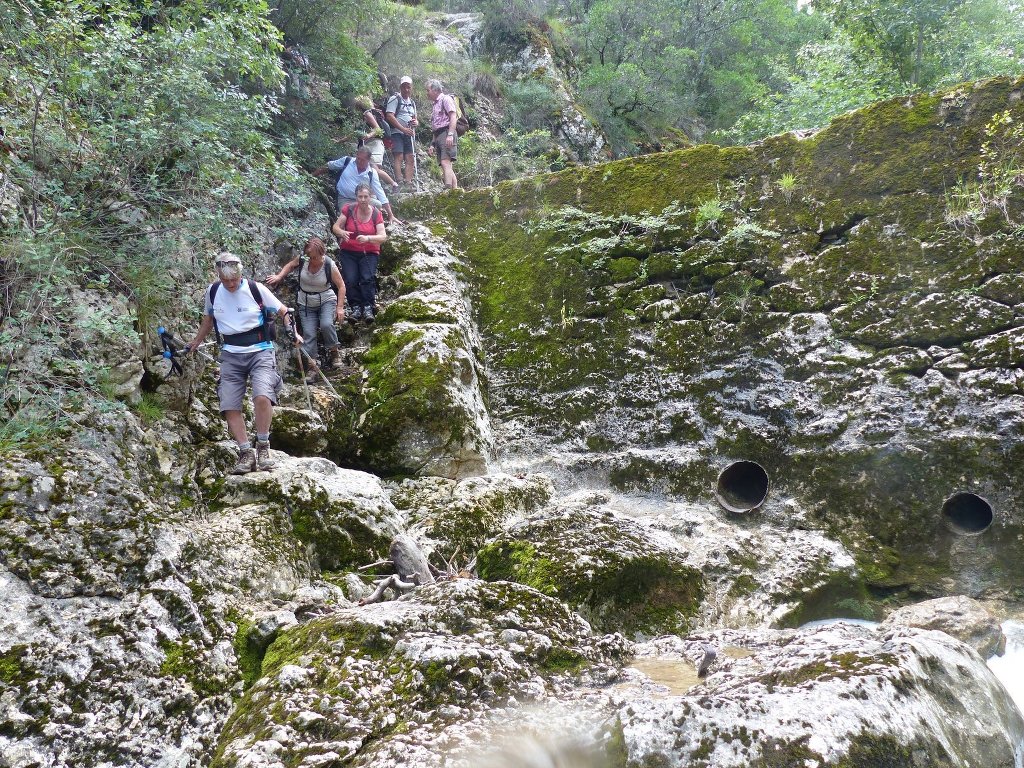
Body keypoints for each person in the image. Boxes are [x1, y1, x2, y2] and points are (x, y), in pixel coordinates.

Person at [184, 252, 301, 475]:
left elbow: (284, 312)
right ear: (218, 275)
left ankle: (263, 446)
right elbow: (208, 319)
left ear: (241, 274)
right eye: (225, 280)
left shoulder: (256, 289)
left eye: (233, 280)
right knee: (229, 405)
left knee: (262, 396)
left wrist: (292, 332)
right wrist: (196, 342)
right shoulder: (213, 291)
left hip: (260, 351)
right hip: (230, 354)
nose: (229, 284)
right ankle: (245, 453)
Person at [265, 236, 346, 382]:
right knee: (308, 333)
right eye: (310, 256)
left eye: (316, 257)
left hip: (326, 300)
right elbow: (290, 266)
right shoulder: (303, 260)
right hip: (306, 302)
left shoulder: (329, 264)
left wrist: (339, 308)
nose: (313, 260)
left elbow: (341, 286)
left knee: (327, 324)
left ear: (322, 253)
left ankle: (334, 353)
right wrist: (279, 276)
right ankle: (313, 366)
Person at [332, 182, 387, 322]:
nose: (362, 199)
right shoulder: (348, 209)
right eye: (360, 196)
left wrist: (368, 238)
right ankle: (355, 307)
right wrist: (342, 232)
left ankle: (368, 307)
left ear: (370, 197)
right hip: (349, 251)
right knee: (350, 279)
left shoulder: (376, 213)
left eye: (365, 196)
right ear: (356, 197)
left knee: (367, 278)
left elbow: (382, 236)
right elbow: (336, 227)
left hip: (369, 252)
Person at [316, 146, 396, 223]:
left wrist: (391, 214)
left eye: (363, 160)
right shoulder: (346, 161)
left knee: (377, 204)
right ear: (356, 155)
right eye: (358, 158)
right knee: (347, 215)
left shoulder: (372, 172)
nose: (359, 162)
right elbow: (329, 166)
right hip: (345, 198)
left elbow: (379, 192)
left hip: (363, 199)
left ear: (368, 160)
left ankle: (368, 222)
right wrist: (311, 175)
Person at [352, 95, 399, 190]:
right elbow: (354, 133)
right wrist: (340, 140)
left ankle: (394, 184)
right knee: (370, 169)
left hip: (374, 144)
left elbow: (378, 129)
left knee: (374, 169)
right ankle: (373, 191)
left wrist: (369, 135)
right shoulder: (363, 116)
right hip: (372, 144)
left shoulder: (367, 114)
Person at [385, 76, 419, 187]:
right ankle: (399, 181)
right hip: (396, 132)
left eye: (408, 87)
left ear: (411, 88)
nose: (406, 89)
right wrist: (403, 129)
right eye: (404, 87)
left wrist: (416, 123)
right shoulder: (394, 99)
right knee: (398, 156)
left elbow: (415, 118)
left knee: (410, 157)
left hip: (409, 133)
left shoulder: (412, 103)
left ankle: (408, 182)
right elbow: (389, 115)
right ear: (400, 87)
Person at [426, 79, 458, 190]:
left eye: (428, 90)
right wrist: (432, 144)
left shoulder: (446, 99)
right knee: (446, 164)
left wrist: (450, 134)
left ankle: (448, 189)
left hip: (446, 133)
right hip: (439, 135)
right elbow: (435, 126)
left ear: (435, 90)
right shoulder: (435, 105)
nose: (427, 92)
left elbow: (453, 117)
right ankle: (455, 191)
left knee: (445, 162)